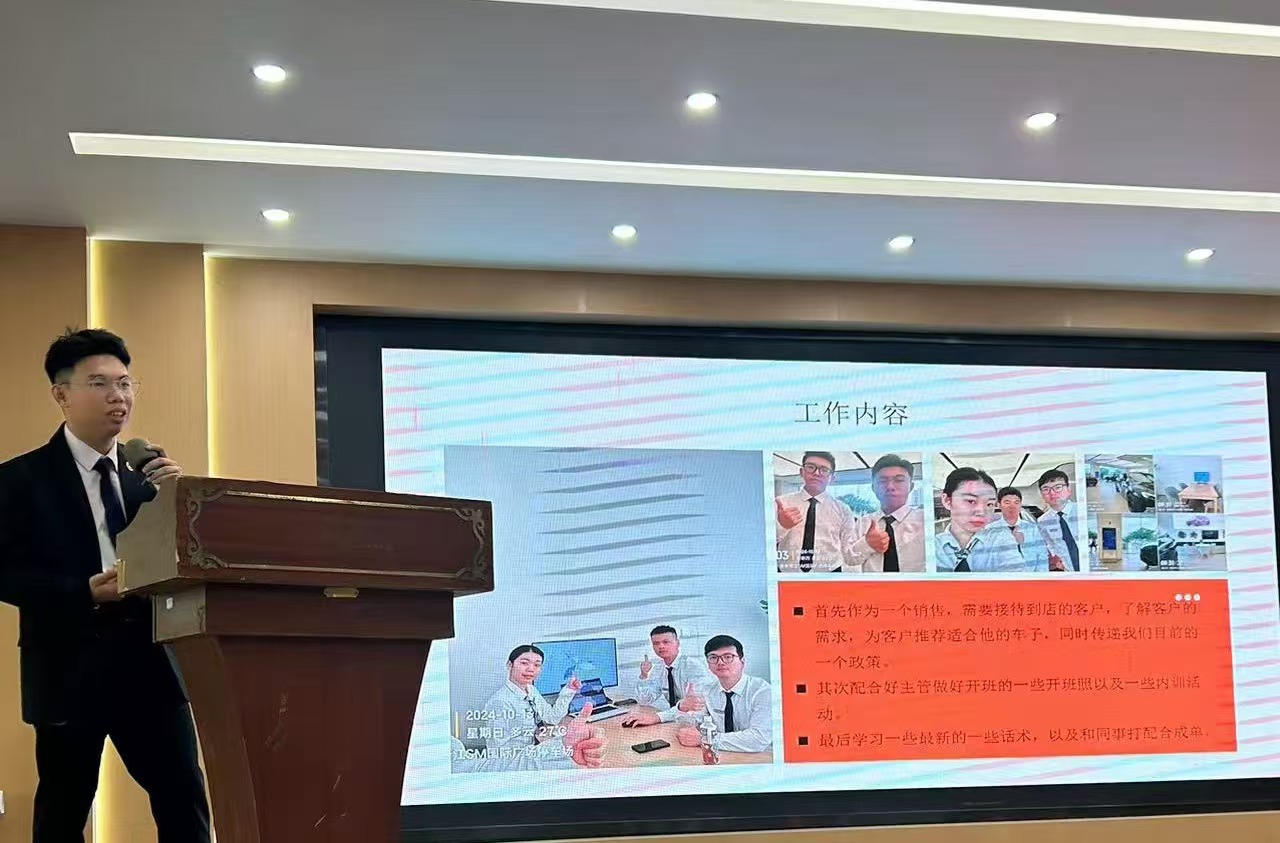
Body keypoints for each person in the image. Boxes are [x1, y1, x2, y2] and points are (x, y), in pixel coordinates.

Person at [0, 329, 210, 842]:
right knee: (64, 807)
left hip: (151, 663)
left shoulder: (148, 478)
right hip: (68, 665)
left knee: (184, 797)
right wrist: (82, 592)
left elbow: (188, 559)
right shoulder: (19, 479)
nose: (119, 396)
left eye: (125, 383)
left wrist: (179, 498)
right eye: (100, 383)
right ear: (61, 394)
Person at [477, 644, 593, 771]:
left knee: (582, 758)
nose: (531, 669)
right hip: (517, 765)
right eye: (524, 663)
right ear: (509, 665)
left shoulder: (531, 690)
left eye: (537, 665)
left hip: (534, 752)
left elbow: (552, 717)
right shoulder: (499, 702)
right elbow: (497, 755)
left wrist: (569, 690)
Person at [675, 635, 772, 753]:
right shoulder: (707, 690)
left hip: (761, 757)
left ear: (742, 661)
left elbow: (759, 739)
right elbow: (691, 725)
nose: (720, 662)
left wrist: (706, 739)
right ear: (708, 664)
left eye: (728, 657)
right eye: (713, 657)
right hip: (719, 754)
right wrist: (683, 708)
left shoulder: (762, 691)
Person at [775, 451, 857, 573]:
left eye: (824, 470)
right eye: (810, 467)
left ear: (831, 478)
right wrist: (782, 526)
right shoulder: (780, 503)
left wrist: (867, 544)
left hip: (830, 572)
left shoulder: (843, 509)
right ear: (802, 472)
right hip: (787, 572)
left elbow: (850, 547)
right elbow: (761, 543)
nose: (817, 473)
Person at [845, 454, 926, 572]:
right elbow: (849, 559)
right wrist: (866, 544)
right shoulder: (863, 522)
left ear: (911, 486)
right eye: (882, 481)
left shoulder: (925, 520)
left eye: (899, 480)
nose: (890, 487)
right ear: (873, 488)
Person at [622, 625, 712, 726]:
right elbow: (644, 700)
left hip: (700, 724)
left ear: (677, 643)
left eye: (666, 642)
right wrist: (644, 675)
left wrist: (658, 717)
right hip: (675, 720)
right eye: (656, 643)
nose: (661, 646)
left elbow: (696, 706)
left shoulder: (693, 666)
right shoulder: (659, 668)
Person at [935, 467, 1019, 573]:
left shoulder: (1000, 539)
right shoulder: (931, 546)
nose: (982, 512)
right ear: (947, 501)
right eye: (971, 501)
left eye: (989, 504)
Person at [980, 487, 1061, 572]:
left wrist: (1039, 577)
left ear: (1020, 505)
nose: (1012, 506)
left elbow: (1042, 555)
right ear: (999, 505)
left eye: (1016, 502)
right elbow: (985, 559)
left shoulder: (1032, 528)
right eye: (1007, 502)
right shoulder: (990, 530)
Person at [1036, 469, 1081, 572]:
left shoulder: (1083, 510)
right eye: (1046, 489)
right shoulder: (1042, 521)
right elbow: (1049, 544)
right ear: (1042, 495)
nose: (1052, 493)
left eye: (1058, 487)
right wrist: (1056, 558)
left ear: (1068, 489)